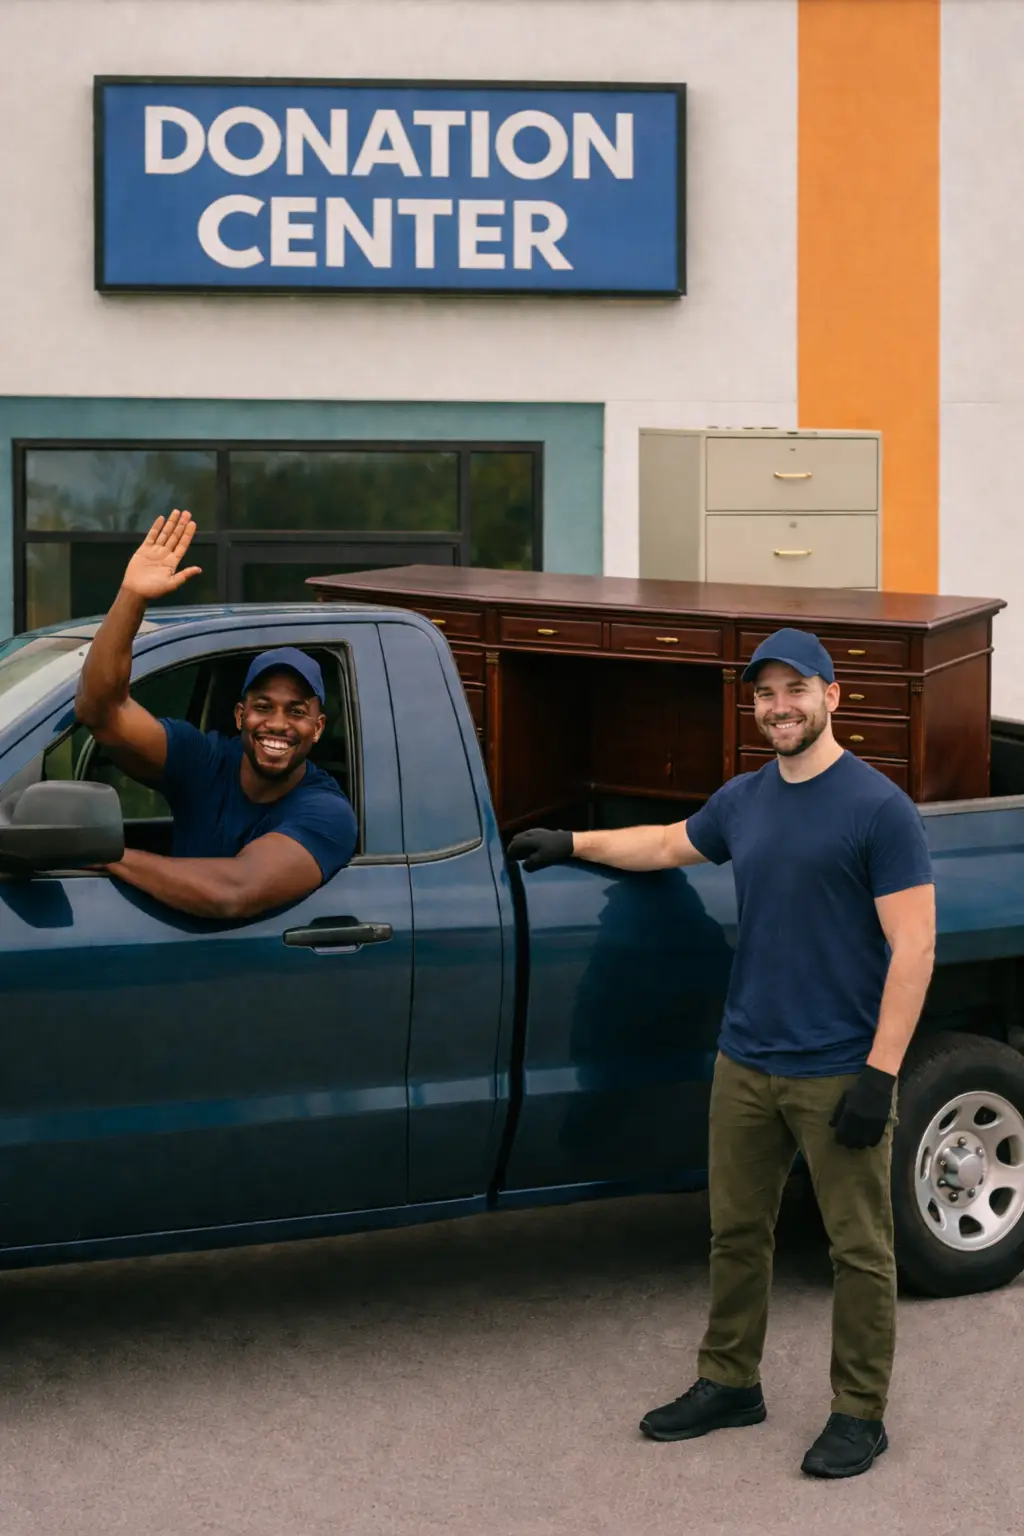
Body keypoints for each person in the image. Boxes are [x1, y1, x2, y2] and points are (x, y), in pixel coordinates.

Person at [507, 627, 936, 1480]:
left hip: (837, 1067)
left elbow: (915, 948)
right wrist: (573, 843)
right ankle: (730, 1382)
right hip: (744, 1062)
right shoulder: (745, 799)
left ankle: (860, 1412)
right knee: (737, 1233)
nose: (778, 707)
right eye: (764, 695)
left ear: (831, 697)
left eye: (794, 690)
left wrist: (880, 1075)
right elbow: (669, 842)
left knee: (858, 1251)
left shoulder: (879, 809)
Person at [74, 509, 358, 919]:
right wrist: (131, 597)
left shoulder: (326, 812)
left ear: (317, 728)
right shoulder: (204, 761)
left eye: (296, 711)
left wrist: (111, 857)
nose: (277, 723)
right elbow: (100, 710)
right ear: (240, 716)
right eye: (263, 707)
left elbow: (234, 892)